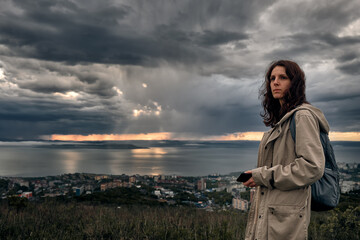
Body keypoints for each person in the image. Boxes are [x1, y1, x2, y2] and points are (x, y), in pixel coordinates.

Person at [243, 60, 329, 240]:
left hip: (284, 223)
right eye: (272, 78)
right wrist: (257, 176)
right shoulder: (283, 120)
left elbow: (312, 167)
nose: (275, 82)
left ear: (295, 82)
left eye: (283, 77)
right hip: (272, 215)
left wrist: (262, 176)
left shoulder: (302, 116)